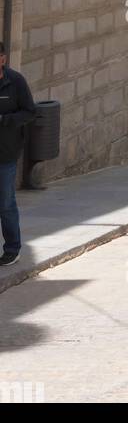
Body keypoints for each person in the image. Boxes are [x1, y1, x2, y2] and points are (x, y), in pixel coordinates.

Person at [0, 40, 37, 267]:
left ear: (3, 58)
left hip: (6, 152)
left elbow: (30, 112)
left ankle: (12, 249)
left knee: (5, 203)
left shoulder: (16, 82)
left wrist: (5, 121)